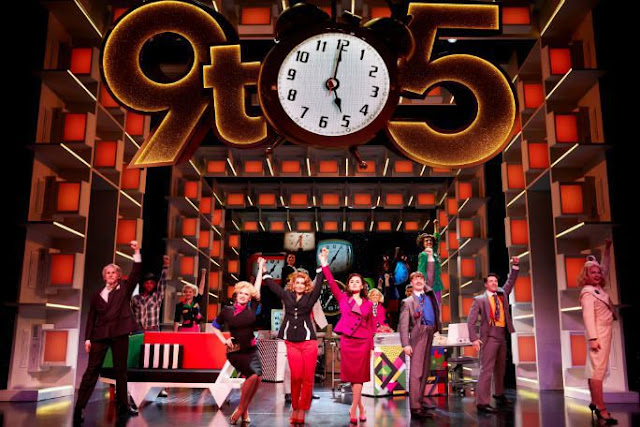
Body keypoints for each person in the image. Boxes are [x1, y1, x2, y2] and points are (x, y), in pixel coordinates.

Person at [73, 241, 142, 424]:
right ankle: (79, 408)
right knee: (91, 371)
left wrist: (136, 251)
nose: (111, 275)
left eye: (113, 272)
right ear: (104, 276)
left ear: (118, 275)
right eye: (108, 273)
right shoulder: (97, 295)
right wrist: (87, 338)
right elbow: (91, 317)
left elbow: (136, 273)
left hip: (119, 333)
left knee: (121, 371)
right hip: (100, 335)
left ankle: (123, 407)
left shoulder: (124, 289)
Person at [263, 261, 325, 425]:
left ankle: (302, 409)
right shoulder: (286, 295)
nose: (299, 285)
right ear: (293, 284)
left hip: (308, 342)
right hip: (291, 342)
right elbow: (272, 286)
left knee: (307, 378)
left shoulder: (310, 297)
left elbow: (319, 284)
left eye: (303, 283)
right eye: (297, 282)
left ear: (306, 286)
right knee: (296, 376)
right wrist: (264, 270)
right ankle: (295, 406)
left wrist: (322, 264)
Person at [320, 248, 375, 424]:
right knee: (352, 376)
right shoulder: (343, 298)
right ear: (348, 285)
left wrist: (371, 346)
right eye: (352, 281)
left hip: (363, 342)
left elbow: (371, 326)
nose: (354, 283)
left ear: (362, 285)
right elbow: (330, 281)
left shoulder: (368, 304)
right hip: (348, 341)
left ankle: (353, 408)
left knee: (359, 376)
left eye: (358, 281)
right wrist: (324, 262)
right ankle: (361, 407)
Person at [212, 257, 265, 424]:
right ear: (236, 294)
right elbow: (215, 326)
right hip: (235, 351)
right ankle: (241, 409)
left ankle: (243, 409)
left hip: (251, 349)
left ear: (250, 298)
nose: (243, 296)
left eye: (246, 294)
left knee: (258, 379)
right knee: (253, 376)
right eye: (241, 293)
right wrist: (223, 340)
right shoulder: (227, 311)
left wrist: (261, 268)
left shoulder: (252, 309)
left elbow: (257, 289)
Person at [467, 257, 520, 413]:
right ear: (486, 284)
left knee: (501, 368)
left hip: (502, 335)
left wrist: (515, 266)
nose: (494, 283)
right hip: (489, 336)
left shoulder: (502, 293)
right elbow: (470, 322)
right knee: (487, 369)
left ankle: (499, 394)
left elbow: (510, 282)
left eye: (495, 281)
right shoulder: (479, 300)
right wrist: (474, 339)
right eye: (491, 281)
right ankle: (482, 402)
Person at [579, 240, 617, 425]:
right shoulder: (588, 293)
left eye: (598, 272)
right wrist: (593, 338)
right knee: (598, 371)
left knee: (594, 369)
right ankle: (601, 408)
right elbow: (588, 317)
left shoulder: (598, 288)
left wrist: (607, 250)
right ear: (586, 275)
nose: (597, 274)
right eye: (592, 272)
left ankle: (594, 402)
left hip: (605, 331)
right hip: (598, 333)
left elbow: (605, 268)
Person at [399, 268, 441, 419]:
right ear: (411, 283)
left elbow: (431, 276)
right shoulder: (408, 302)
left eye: (421, 279)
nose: (418, 281)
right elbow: (403, 325)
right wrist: (406, 344)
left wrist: (430, 259)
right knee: (416, 372)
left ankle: (420, 400)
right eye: (415, 279)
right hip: (418, 335)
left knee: (425, 370)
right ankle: (415, 407)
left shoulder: (429, 296)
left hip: (430, 332)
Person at [131, 255, 169, 332]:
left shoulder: (157, 296)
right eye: (147, 283)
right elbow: (132, 314)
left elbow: (162, 282)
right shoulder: (136, 298)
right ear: (143, 284)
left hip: (153, 330)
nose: (149, 285)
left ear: (154, 285)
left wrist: (165, 266)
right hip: (138, 329)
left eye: (151, 283)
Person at [417, 219, 444, 303]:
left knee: (437, 306)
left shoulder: (434, 252)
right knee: (429, 307)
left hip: (437, 285)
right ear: (423, 243)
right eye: (426, 241)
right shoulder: (423, 255)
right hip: (429, 286)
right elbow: (421, 270)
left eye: (430, 240)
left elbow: (437, 238)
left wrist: (436, 226)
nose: (429, 242)